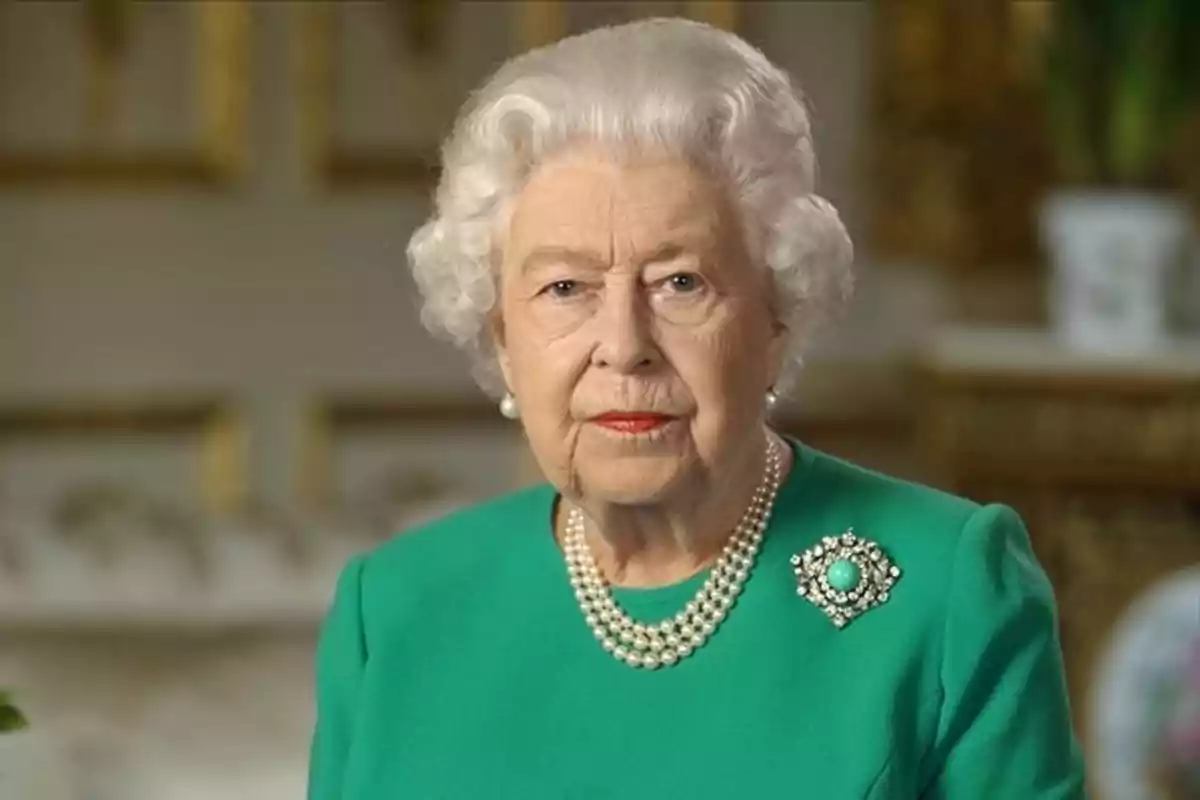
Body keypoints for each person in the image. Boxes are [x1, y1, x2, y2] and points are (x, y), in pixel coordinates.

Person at [308, 18, 1085, 799]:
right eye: (565, 288)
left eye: (680, 282)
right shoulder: (397, 611)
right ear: (504, 338)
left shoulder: (947, 590)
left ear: (776, 315)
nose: (624, 344)